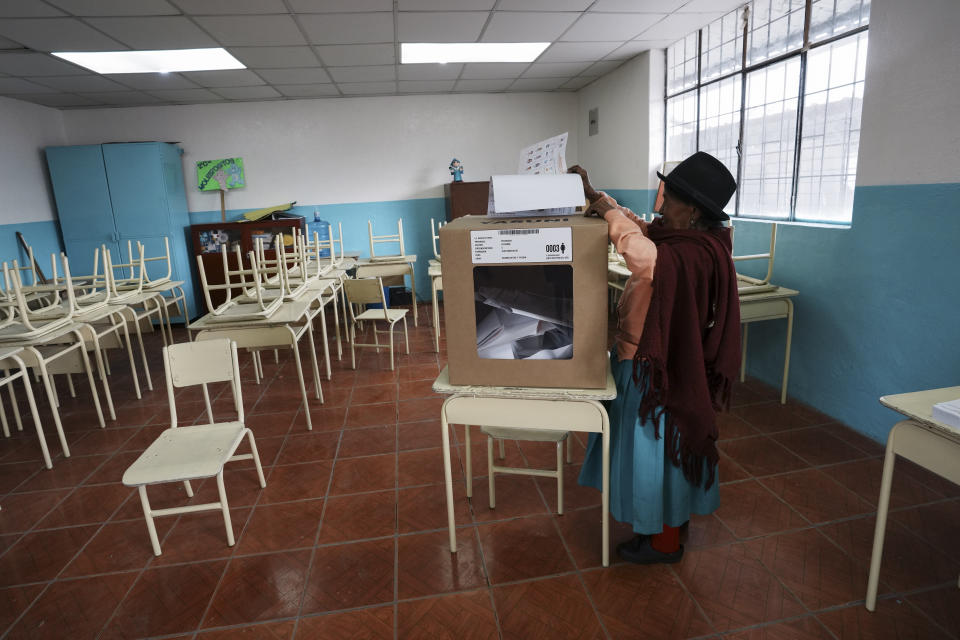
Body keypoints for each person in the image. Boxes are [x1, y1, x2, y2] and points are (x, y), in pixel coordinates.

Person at [571, 152, 741, 564]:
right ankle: (672, 524)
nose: (661, 204)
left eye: (670, 197)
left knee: (653, 453)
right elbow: (643, 229)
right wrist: (598, 198)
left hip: (657, 367)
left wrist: (609, 215)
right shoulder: (686, 238)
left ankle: (662, 543)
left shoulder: (694, 252)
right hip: (659, 361)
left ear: (693, 210)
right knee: (664, 455)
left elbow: (642, 255)